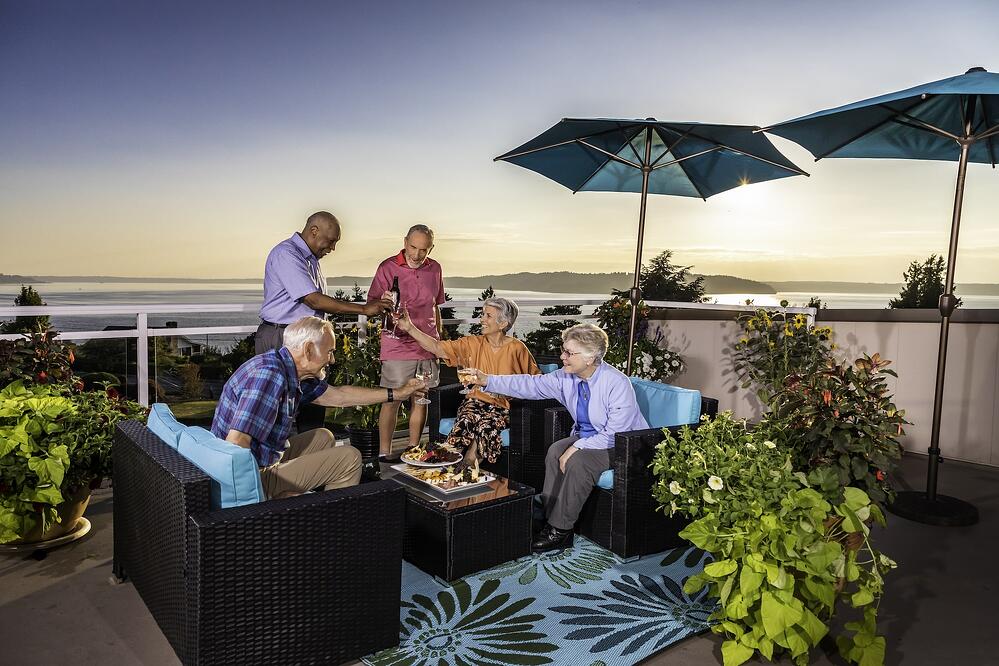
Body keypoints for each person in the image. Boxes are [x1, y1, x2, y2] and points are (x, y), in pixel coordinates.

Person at [465, 323, 648, 553]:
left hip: (624, 444)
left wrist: (577, 448)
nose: (563, 357)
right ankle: (548, 512)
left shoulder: (617, 383)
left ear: (590, 357)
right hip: (590, 437)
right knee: (555, 451)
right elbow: (530, 384)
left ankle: (560, 531)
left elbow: (614, 433)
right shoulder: (565, 377)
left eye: (570, 353)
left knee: (579, 461)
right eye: (564, 350)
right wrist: (488, 380)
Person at [212, 316, 427, 499]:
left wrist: (397, 393)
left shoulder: (286, 369)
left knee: (324, 436)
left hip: (259, 458)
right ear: (308, 349)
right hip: (247, 480)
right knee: (349, 458)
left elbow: (340, 396)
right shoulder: (270, 376)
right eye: (329, 351)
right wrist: (254, 503)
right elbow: (236, 443)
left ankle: (302, 501)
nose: (332, 360)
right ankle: (326, 520)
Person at [257, 211, 394, 429]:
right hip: (282, 338)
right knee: (277, 411)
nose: (332, 248)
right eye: (330, 242)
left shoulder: (311, 260)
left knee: (314, 407)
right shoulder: (287, 254)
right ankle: (278, 461)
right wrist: (364, 310)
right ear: (314, 231)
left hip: (305, 340)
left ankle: (311, 457)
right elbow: (314, 300)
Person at [395, 296, 540, 469]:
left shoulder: (517, 348)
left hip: (504, 407)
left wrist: (514, 393)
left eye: (488, 316)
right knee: (466, 420)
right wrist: (410, 328)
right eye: (482, 314)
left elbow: (536, 382)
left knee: (486, 426)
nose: (482, 320)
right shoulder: (472, 343)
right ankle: (440, 463)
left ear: (503, 324)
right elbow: (437, 348)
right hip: (475, 401)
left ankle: (467, 467)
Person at [368, 224, 446, 460]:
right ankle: (384, 454)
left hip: (427, 345)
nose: (417, 254)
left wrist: (439, 342)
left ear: (430, 248)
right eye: (413, 247)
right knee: (392, 399)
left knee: (420, 399)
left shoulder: (435, 269)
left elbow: (435, 307)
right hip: (397, 344)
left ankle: (413, 452)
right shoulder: (387, 267)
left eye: (424, 249)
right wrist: (382, 302)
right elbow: (372, 305)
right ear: (404, 242)